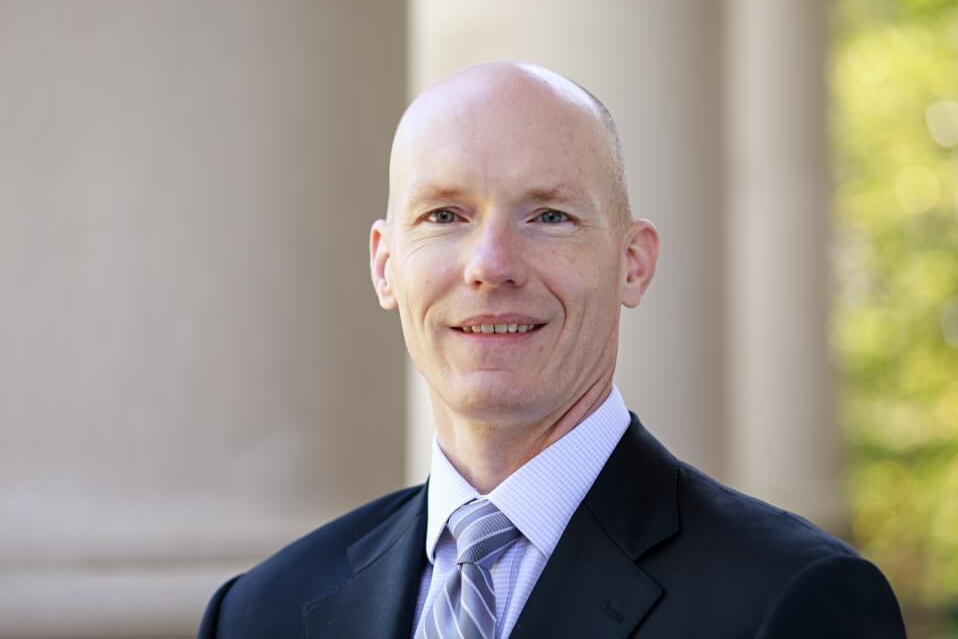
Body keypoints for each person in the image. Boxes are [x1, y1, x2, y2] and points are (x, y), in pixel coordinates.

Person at [198, 61, 906, 638]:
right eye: (445, 215)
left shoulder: (793, 603)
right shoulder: (260, 614)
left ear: (632, 262)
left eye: (549, 216)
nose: (491, 264)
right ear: (386, 265)